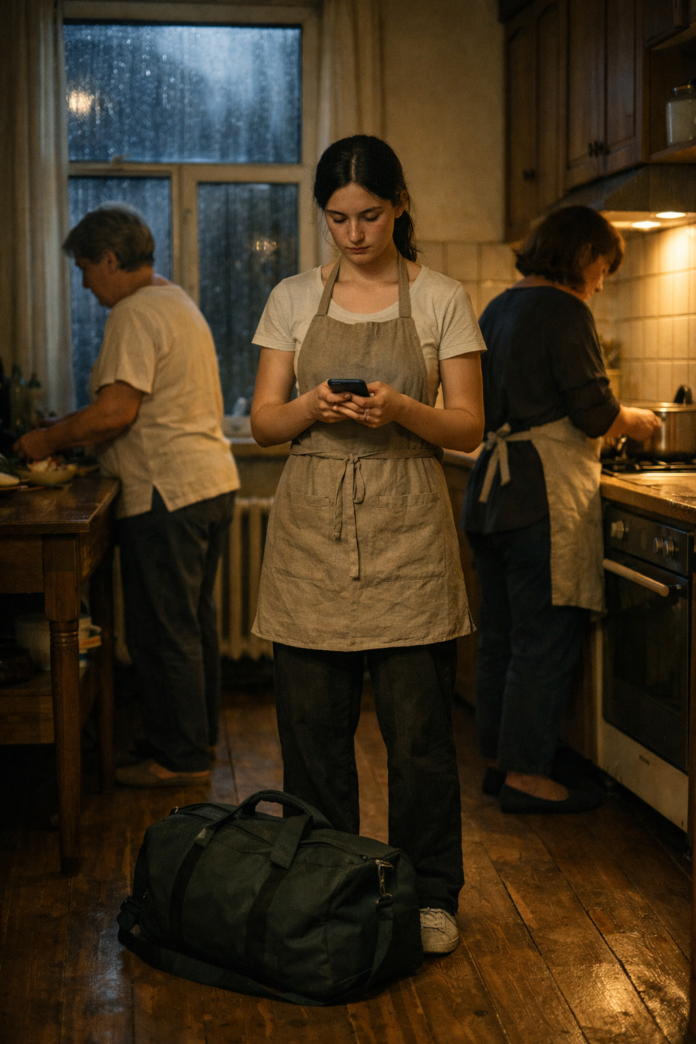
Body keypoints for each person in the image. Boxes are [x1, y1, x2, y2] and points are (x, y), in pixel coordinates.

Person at [249, 135, 486, 956]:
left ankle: (430, 894)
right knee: (312, 741)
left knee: (419, 741)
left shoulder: (443, 297)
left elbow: (467, 425)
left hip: (408, 539)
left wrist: (402, 412)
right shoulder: (290, 297)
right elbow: (264, 423)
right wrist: (313, 403)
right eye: (338, 218)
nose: (353, 233)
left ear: (400, 206)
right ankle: (327, 889)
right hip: (311, 539)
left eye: (370, 216)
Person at [14, 203, 239, 788]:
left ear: (111, 259)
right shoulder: (175, 300)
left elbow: (117, 411)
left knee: (164, 632)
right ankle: (192, 737)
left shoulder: (135, 313)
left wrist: (44, 436)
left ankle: (181, 758)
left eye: (87, 268)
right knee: (191, 625)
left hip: (168, 491)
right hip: (208, 483)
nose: (86, 283)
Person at [461, 205, 661, 814]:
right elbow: (595, 414)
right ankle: (527, 776)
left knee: (500, 635)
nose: (602, 282)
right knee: (543, 640)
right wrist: (642, 423)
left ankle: (499, 760)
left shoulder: (500, 306)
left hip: (493, 495)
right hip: (538, 494)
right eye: (603, 268)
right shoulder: (564, 309)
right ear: (583, 256)